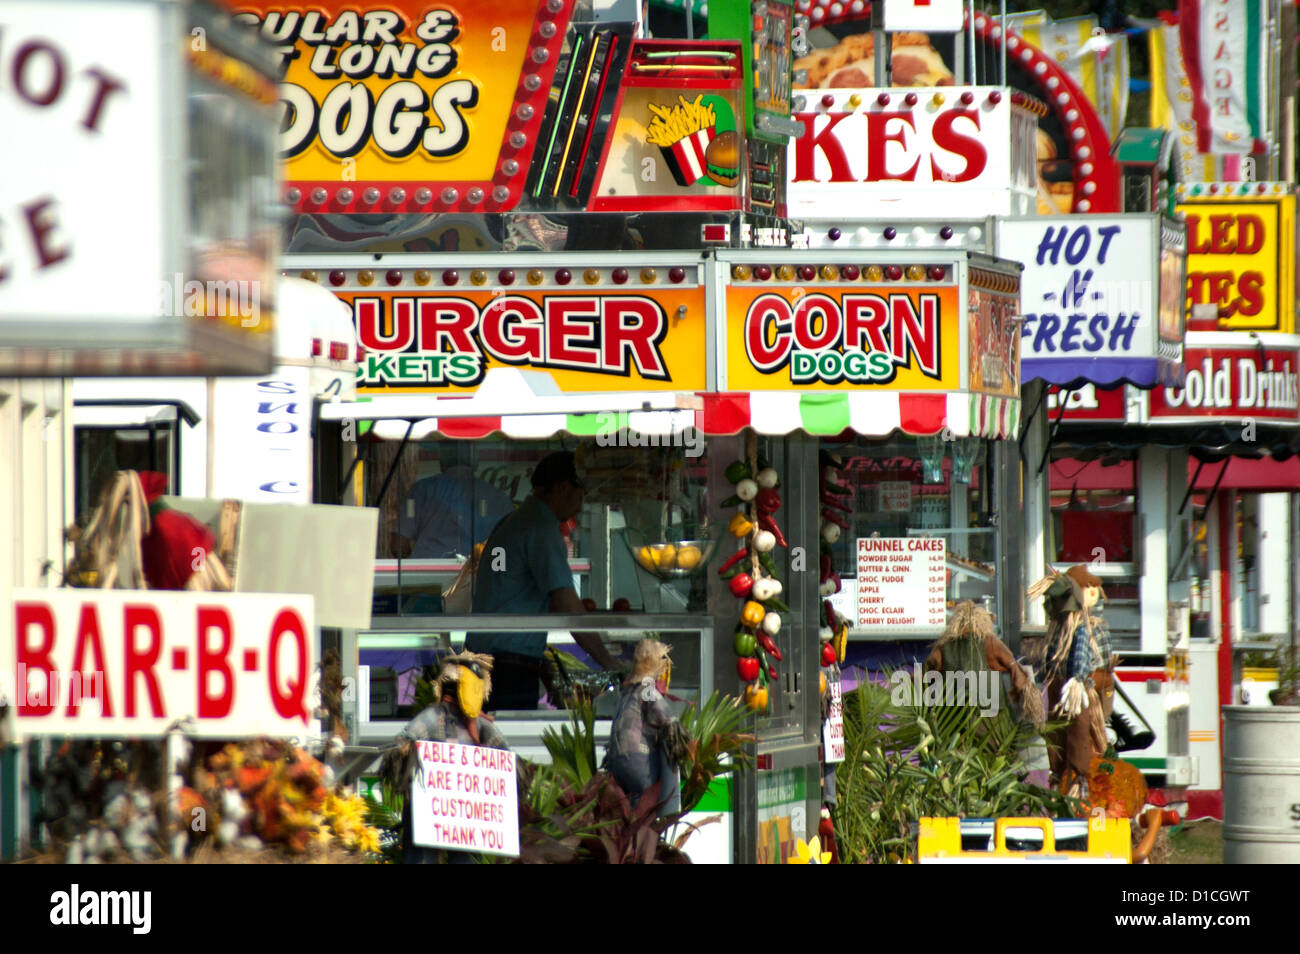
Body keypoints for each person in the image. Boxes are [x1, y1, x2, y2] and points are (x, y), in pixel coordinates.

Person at [468, 451, 618, 708]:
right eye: (580, 497)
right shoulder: (540, 527)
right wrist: (610, 663)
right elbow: (567, 603)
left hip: (484, 661)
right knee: (507, 742)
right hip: (507, 667)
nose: (580, 507)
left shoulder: (513, 521)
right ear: (562, 488)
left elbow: (511, 596)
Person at [392, 458, 514, 559]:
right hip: (476, 572)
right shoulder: (496, 495)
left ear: (441, 460)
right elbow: (508, 545)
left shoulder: (421, 489)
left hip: (428, 572)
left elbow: (398, 545)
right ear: (476, 461)